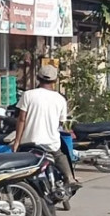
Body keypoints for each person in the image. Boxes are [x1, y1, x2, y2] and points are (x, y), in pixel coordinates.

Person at [13, 65, 79, 193]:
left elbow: (21, 119)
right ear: (55, 80)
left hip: (29, 143)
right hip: (51, 144)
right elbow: (61, 122)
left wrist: (16, 142)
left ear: (38, 78)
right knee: (60, 156)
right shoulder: (60, 99)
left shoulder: (28, 95)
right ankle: (70, 178)